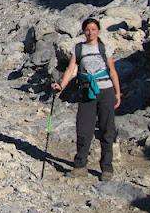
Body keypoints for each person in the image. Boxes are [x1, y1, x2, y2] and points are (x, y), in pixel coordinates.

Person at [51, 17, 121, 181]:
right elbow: (70, 70)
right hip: (86, 92)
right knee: (83, 129)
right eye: (88, 29)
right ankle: (80, 165)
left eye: (93, 29)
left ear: (98, 31)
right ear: (84, 31)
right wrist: (61, 85)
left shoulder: (105, 48)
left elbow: (112, 71)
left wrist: (118, 93)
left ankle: (107, 168)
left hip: (106, 92)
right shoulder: (78, 49)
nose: (90, 32)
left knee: (107, 130)